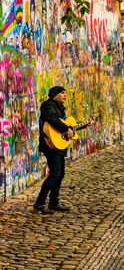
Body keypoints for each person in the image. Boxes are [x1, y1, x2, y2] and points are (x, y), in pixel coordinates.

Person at [34, 86, 93, 214]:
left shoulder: (60, 109)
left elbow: (68, 127)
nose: (65, 96)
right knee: (55, 173)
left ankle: (54, 202)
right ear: (55, 94)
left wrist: (83, 124)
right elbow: (53, 119)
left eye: (65, 94)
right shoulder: (48, 106)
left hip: (59, 145)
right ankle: (40, 202)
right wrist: (66, 129)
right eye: (62, 93)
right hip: (49, 144)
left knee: (60, 174)